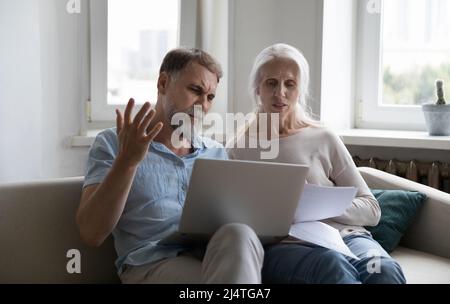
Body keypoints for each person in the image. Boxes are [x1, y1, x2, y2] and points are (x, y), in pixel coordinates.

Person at [76, 48, 264, 284]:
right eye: (195, 90)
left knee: (239, 233)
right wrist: (127, 162)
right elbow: (91, 233)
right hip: (151, 265)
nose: (203, 105)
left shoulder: (215, 152)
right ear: (163, 83)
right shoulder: (113, 143)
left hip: (210, 257)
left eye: (210, 97)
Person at [228, 43, 406, 284]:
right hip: (288, 246)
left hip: (347, 237)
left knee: (384, 270)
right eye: (271, 82)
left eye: (290, 84)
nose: (280, 92)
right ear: (257, 88)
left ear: (300, 90)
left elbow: (372, 210)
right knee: (334, 267)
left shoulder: (323, 137)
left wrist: (319, 207)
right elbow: (229, 218)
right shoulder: (239, 146)